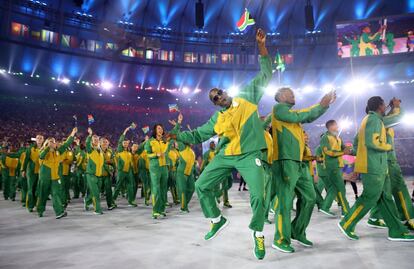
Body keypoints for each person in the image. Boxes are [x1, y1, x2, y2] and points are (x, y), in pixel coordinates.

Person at [169, 28, 271, 260]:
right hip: (226, 155)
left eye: (220, 93)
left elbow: (266, 74)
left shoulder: (247, 97)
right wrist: (177, 135)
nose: (219, 96)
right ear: (215, 104)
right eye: (215, 98)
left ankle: (257, 234)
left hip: (249, 154)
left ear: (225, 92)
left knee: (258, 195)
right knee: (201, 185)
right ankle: (217, 219)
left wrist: (262, 47)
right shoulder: (217, 119)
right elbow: (197, 135)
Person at [338, 96, 414, 241]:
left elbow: (359, 143)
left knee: (386, 199)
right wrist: (388, 146)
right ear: (380, 106)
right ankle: (347, 223)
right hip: (373, 166)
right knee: (369, 197)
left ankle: (396, 230)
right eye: (384, 104)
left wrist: (393, 107)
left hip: (380, 166)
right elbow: (373, 143)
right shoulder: (373, 120)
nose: (386, 106)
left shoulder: (375, 120)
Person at [271, 87, 336, 253]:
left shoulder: (293, 115)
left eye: (293, 91)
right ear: (280, 97)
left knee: (310, 198)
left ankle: (297, 231)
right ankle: (280, 239)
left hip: (299, 163)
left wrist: (323, 106)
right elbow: (303, 115)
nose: (293, 93)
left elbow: (306, 114)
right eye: (288, 92)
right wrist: (320, 105)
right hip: (285, 161)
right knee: (285, 203)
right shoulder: (279, 109)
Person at [37, 127, 77, 218]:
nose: (52, 143)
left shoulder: (58, 152)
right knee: (42, 195)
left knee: (56, 194)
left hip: (55, 178)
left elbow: (66, 144)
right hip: (45, 178)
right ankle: (40, 210)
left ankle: (59, 212)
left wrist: (72, 133)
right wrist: (48, 148)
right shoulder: (43, 151)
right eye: (50, 141)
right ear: (46, 143)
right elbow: (41, 156)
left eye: (53, 141)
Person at [319, 120, 351, 217]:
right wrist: (343, 152)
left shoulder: (337, 137)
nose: (337, 127)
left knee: (334, 188)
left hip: (338, 165)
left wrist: (348, 149)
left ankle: (325, 206)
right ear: (330, 126)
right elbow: (328, 152)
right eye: (335, 125)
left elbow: (344, 148)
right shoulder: (325, 137)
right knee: (341, 188)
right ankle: (345, 210)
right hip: (331, 166)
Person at [145, 123, 171, 219]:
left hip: (164, 167)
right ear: (155, 130)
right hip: (155, 167)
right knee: (156, 188)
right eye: (158, 128)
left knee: (164, 188)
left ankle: (162, 209)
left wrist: (179, 122)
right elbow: (147, 154)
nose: (160, 130)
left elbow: (174, 133)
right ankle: (155, 211)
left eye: (161, 128)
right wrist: (156, 154)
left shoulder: (165, 141)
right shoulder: (150, 142)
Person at [113, 125, 137, 207]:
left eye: (127, 143)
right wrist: (125, 131)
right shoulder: (119, 150)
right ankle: (112, 200)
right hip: (121, 171)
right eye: (124, 143)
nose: (125, 144)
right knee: (118, 186)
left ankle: (131, 201)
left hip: (129, 171)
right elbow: (120, 141)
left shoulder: (129, 152)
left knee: (131, 186)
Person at [83, 128, 106, 215]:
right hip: (91, 174)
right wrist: (90, 135)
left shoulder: (100, 151)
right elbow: (87, 143)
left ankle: (87, 200)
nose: (96, 141)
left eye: (97, 140)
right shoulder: (90, 150)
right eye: (94, 139)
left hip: (99, 175)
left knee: (96, 192)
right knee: (96, 193)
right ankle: (97, 210)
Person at [100, 137, 116, 210]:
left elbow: (113, 161)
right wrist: (106, 162)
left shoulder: (110, 151)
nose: (105, 143)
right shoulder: (96, 150)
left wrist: (114, 171)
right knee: (95, 191)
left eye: (106, 142)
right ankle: (88, 201)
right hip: (98, 175)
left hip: (107, 174)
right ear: (100, 143)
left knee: (108, 190)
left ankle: (110, 204)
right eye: (103, 142)